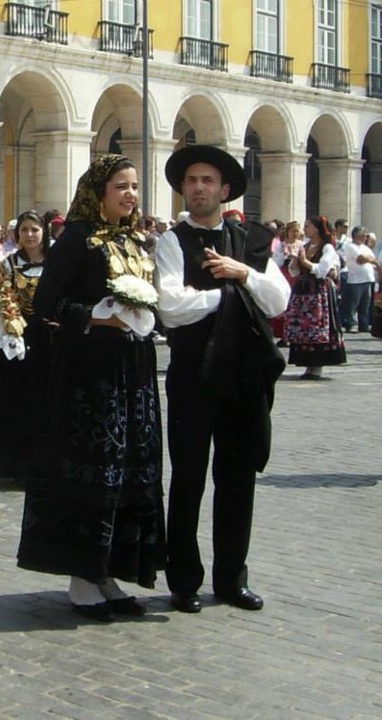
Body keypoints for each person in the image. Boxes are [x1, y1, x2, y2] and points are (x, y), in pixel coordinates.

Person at [18, 155, 165, 621]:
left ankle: (109, 571)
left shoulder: (136, 239)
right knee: (94, 468)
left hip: (134, 369)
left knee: (128, 470)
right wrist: (97, 317)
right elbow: (46, 302)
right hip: (90, 374)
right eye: (121, 186)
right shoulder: (77, 239)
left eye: (135, 186)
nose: (130, 194)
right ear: (98, 191)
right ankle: (81, 577)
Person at [156, 145, 290, 613]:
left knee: (238, 479)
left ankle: (232, 578)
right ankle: (184, 581)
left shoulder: (251, 239)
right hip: (193, 376)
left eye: (207, 181)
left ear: (225, 189)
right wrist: (228, 296)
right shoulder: (172, 242)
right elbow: (172, 307)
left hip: (242, 376)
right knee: (188, 478)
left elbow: (277, 300)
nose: (198, 188)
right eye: (192, 180)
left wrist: (242, 274)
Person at [0, 209, 48, 479]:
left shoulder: (56, 264)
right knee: (15, 401)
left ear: (44, 233)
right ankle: (14, 463)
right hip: (15, 339)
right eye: (25, 230)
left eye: (35, 230)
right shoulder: (7, 265)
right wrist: (6, 337)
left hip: (49, 339)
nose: (30, 235)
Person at [284, 216, 347, 379]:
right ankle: (308, 366)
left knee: (318, 327)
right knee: (304, 327)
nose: (305, 229)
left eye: (308, 226)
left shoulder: (327, 248)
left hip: (319, 293)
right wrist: (295, 263)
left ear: (318, 228)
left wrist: (305, 262)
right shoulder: (304, 246)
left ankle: (317, 367)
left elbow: (322, 270)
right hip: (303, 292)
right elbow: (295, 272)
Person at [340, 225, 376, 333]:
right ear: (357, 235)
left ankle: (363, 324)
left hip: (368, 278)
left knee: (366, 303)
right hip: (356, 279)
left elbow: (373, 258)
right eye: (364, 236)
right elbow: (360, 259)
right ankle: (351, 324)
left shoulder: (365, 248)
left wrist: (369, 259)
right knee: (353, 303)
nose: (365, 238)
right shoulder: (351, 246)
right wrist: (369, 259)